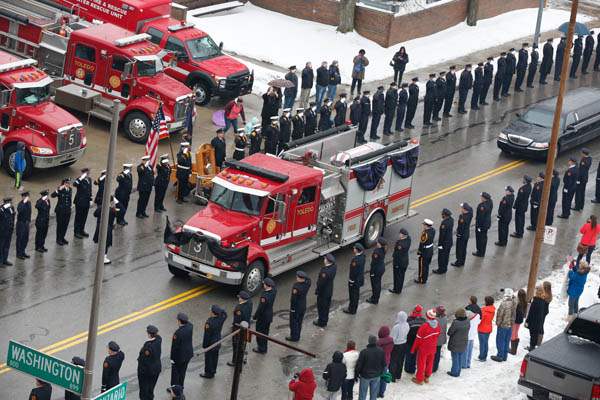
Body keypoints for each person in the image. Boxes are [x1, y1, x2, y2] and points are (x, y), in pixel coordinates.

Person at [411, 309, 440, 385]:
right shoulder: (437, 325)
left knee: (421, 363)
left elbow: (418, 339)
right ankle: (427, 377)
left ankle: (419, 379)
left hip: (424, 348)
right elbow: (437, 335)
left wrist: (413, 349)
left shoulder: (424, 326)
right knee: (430, 362)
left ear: (428, 316)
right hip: (433, 347)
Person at [200, 305, 227, 379]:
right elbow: (225, 314)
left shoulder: (209, 322)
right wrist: (220, 310)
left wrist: (205, 346)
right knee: (215, 357)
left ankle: (208, 373)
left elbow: (207, 335)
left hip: (210, 343)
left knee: (209, 359)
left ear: (213, 313)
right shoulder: (221, 318)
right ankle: (213, 371)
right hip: (217, 341)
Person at [356, 335, 385, 400]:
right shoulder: (381, 351)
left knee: (362, 394)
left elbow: (359, 365)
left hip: (365, 376)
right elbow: (384, 364)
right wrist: (380, 372)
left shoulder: (364, 352)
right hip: (377, 376)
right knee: (374, 394)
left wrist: (357, 374)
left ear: (369, 341)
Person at [491, 288, 517, 362]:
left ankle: (500, 356)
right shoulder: (514, 302)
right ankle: (505, 356)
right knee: (506, 340)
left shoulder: (504, 304)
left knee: (500, 340)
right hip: (510, 325)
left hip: (503, 325)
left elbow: (500, 315)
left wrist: (498, 323)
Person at [137, 325, 162, 400]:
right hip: (156, 369)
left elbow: (143, 359)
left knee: (144, 390)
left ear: (150, 334)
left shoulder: (148, 347)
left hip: (147, 371)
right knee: (151, 388)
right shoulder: (159, 339)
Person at [228, 291, 252, 365]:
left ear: (242, 299)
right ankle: (242, 358)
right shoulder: (250, 303)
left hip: (239, 328)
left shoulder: (239, 308)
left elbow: (237, 320)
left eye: (240, 298)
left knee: (236, 345)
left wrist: (234, 326)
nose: (239, 299)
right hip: (246, 325)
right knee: (243, 344)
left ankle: (235, 361)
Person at [253, 278, 276, 353]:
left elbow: (260, 308)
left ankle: (261, 348)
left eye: (264, 284)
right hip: (269, 316)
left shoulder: (264, 297)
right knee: (265, 333)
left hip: (263, 317)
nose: (263, 285)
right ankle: (264, 348)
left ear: (267, 285)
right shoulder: (273, 291)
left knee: (259, 333)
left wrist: (255, 316)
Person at [92, 196, 118, 264]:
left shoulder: (101, 207)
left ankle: (101, 256)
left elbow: (95, 214)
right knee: (106, 243)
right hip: (107, 227)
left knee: (101, 242)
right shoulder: (112, 210)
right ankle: (103, 257)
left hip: (99, 226)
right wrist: (115, 205)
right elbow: (118, 214)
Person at [287, 271, 311, 342]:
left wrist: (292, 309)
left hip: (296, 307)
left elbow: (293, 299)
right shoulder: (307, 284)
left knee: (293, 323)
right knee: (299, 322)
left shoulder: (296, 287)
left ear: (300, 278)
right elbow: (309, 279)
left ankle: (294, 337)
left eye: (297, 277)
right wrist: (305, 277)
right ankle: (297, 335)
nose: (296, 278)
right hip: (303, 305)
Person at [170, 312, 193, 388]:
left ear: (179, 321)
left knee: (175, 374)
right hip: (187, 354)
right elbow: (188, 323)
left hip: (179, 357)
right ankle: (180, 386)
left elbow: (174, 348)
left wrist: (172, 358)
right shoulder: (190, 327)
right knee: (182, 372)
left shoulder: (178, 333)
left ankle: (175, 388)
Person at [314, 254, 336, 327]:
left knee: (321, 308)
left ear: (327, 261)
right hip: (329, 291)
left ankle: (321, 322)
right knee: (326, 307)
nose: (324, 260)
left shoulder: (325, 272)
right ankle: (325, 320)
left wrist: (317, 291)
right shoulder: (334, 267)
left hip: (323, 293)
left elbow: (321, 284)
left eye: (325, 259)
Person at [446, 308, 469, 377]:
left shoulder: (456, 323)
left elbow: (450, 332)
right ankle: (458, 371)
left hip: (455, 344)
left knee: (455, 358)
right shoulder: (467, 321)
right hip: (464, 342)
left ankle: (454, 372)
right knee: (459, 357)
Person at [389, 311, 409, 384]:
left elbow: (393, 338)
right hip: (404, 344)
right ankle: (398, 375)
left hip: (396, 345)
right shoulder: (407, 324)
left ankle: (392, 376)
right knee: (400, 360)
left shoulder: (396, 327)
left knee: (393, 361)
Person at [404, 305, 425, 374]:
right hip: (418, 341)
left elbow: (406, 329)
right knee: (414, 355)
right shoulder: (423, 320)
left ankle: (407, 368)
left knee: (409, 355)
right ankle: (412, 368)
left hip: (409, 340)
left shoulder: (409, 319)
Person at [525, 286, 547, 350]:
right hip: (539, 322)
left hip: (533, 322)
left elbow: (531, 313)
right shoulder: (543, 301)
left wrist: (527, 321)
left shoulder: (535, 302)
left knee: (532, 335)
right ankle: (532, 346)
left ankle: (532, 348)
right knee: (535, 335)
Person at [52, 178, 72, 245]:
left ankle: (62, 237)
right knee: (60, 225)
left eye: (69, 183)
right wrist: (59, 189)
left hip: (67, 210)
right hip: (60, 211)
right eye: (67, 183)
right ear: (64, 183)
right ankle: (58, 239)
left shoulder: (70, 189)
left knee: (65, 225)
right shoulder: (60, 189)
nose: (68, 184)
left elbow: (69, 200)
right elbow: (53, 195)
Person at [73, 168, 92, 238]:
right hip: (80, 202)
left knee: (84, 217)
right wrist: (81, 178)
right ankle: (76, 232)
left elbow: (90, 190)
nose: (88, 174)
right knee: (78, 217)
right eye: (87, 173)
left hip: (86, 202)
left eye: (88, 172)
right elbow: (74, 184)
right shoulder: (79, 179)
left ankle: (82, 230)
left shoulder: (89, 179)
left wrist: (90, 199)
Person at [452, 202, 472, 267]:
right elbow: (471, 209)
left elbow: (461, 227)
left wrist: (459, 234)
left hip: (462, 235)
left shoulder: (463, 218)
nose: (461, 209)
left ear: (464, 209)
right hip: (466, 234)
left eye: (462, 208)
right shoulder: (470, 214)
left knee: (459, 249)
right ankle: (462, 261)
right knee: (463, 249)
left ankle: (458, 262)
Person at [433, 208, 453, 274]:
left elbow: (442, 235)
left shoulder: (444, 223)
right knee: (446, 256)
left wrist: (440, 244)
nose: (442, 215)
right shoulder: (451, 220)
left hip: (444, 244)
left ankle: (441, 270)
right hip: (449, 242)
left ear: (444, 215)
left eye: (442, 214)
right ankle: (445, 268)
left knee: (441, 257)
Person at [390, 229, 410, 293]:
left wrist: (396, 264)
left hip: (399, 263)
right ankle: (398, 289)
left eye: (400, 234)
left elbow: (398, 254)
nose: (399, 234)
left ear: (403, 235)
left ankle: (396, 290)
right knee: (401, 276)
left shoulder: (400, 245)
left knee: (397, 277)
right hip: (405, 261)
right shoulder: (408, 239)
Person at [473, 192, 493, 257]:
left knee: (480, 238)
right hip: (487, 223)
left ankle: (480, 252)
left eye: (481, 197)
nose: (481, 198)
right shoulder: (490, 202)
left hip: (482, 225)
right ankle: (482, 251)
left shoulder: (482, 206)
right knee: (484, 238)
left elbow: (480, 218)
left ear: (484, 198)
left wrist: (478, 227)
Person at [367, 238, 386, 304]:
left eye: (377, 242)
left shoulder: (377, 252)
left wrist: (372, 272)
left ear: (379, 244)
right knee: (377, 284)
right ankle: (375, 297)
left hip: (376, 270)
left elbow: (374, 263)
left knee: (375, 285)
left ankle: (374, 299)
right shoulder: (383, 249)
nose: (376, 243)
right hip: (381, 268)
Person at [416, 219, 435, 284]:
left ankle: (421, 279)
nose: (423, 225)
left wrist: (419, 251)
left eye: (424, 224)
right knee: (426, 266)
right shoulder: (432, 230)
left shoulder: (425, 234)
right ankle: (425, 278)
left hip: (425, 251)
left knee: (422, 266)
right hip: (430, 250)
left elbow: (422, 243)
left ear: (426, 225)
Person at [376, 326, 393, 397]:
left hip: (379, 363)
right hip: (387, 361)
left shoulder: (378, 343)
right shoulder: (391, 341)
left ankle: (377, 392)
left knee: (378, 378)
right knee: (384, 377)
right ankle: (382, 392)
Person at [477, 296, 495, 361]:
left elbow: (480, 320)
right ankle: (484, 356)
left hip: (482, 328)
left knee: (482, 343)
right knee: (485, 343)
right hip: (489, 328)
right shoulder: (493, 310)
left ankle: (482, 357)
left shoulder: (483, 310)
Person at [510, 289, 527, 355]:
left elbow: (514, 311)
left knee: (513, 333)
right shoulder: (525, 302)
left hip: (515, 320)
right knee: (516, 332)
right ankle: (514, 348)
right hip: (520, 320)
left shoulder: (518, 303)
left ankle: (513, 351)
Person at [15, 192, 31, 260]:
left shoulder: (29, 203)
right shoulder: (20, 204)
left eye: (28, 196)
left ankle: (23, 251)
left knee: (25, 238)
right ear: (23, 197)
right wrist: (24, 202)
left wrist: (29, 221)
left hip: (26, 223)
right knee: (20, 239)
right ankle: (19, 254)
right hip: (21, 223)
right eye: (26, 197)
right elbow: (20, 210)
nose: (28, 198)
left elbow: (30, 212)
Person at [433, 305, 448, 372]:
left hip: (435, 338)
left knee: (433, 353)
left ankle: (432, 367)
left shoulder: (435, 319)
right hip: (441, 338)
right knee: (438, 352)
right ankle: (436, 366)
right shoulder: (445, 318)